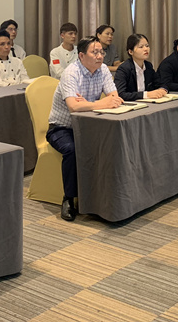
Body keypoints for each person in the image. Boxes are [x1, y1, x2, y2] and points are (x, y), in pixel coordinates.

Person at [47, 36, 122, 221]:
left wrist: (88, 104)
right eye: (94, 52)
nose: (100, 56)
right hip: (62, 128)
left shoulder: (103, 69)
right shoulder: (71, 73)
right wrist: (98, 103)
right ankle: (69, 199)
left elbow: (114, 97)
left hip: (89, 126)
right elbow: (74, 106)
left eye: (101, 52)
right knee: (72, 150)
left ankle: (101, 196)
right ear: (81, 55)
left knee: (111, 143)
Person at [114, 34, 168, 101]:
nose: (146, 49)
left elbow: (160, 83)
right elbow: (121, 94)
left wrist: (162, 89)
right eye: (141, 47)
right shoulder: (124, 69)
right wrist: (146, 95)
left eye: (147, 46)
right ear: (130, 51)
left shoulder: (148, 66)